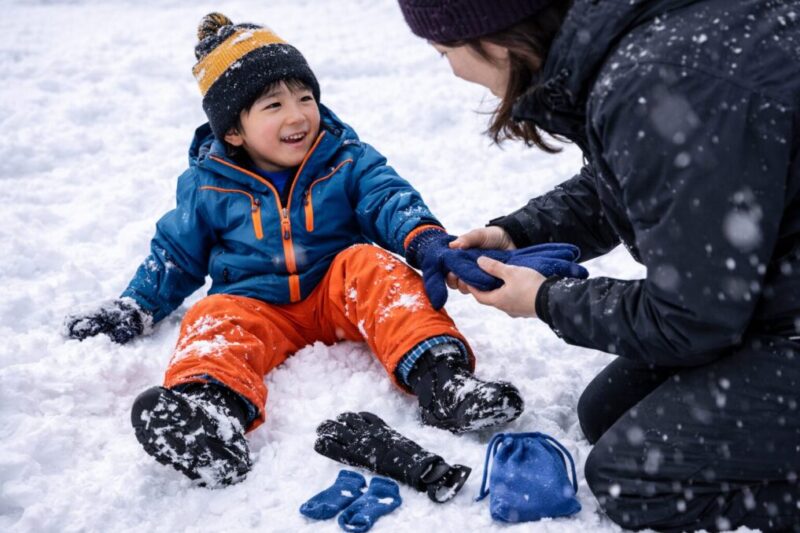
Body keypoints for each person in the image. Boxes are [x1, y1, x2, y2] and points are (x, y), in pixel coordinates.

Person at [59, 12, 586, 488]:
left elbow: (387, 197)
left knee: (375, 267)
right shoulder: (208, 185)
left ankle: (443, 383)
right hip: (256, 302)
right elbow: (175, 252)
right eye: (274, 104)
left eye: (305, 98)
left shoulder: (344, 156)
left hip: (338, 292)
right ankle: (210, 416)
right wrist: (135, 306)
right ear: (235, 131)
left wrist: (424, 240)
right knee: (213, 317)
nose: (298, 115)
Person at [397, 0, 800, 531]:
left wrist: (545, 299)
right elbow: (646, 176)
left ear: (493, 38)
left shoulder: (655, 77)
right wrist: (518, 232)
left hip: (774, 312)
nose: (450, 69)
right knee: (605, 413)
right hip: (776, 289)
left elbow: (687, 320)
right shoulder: (632, 40)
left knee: (636, 480)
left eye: (444, 51)